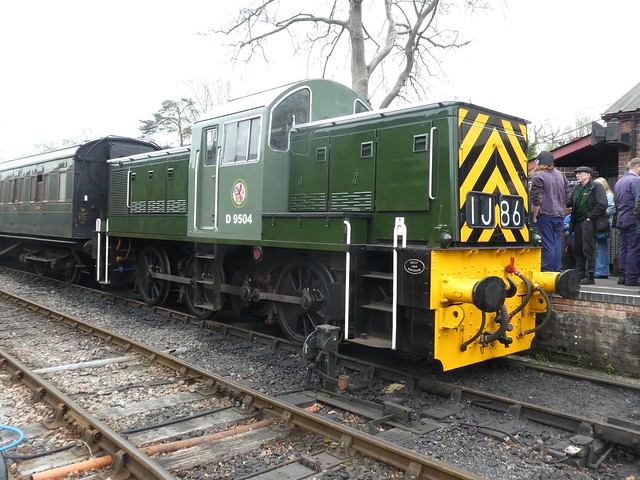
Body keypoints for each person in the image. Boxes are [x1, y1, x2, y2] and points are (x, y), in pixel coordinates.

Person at [530, 151, 570, 272]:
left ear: (540, 161)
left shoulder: (538, 176)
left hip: (545, 214)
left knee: (547, 243)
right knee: (557, 243)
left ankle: (547, 269)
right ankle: (557, 269)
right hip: (559, 214)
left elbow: (537, 199)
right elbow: (567, 195)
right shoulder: (561, 175)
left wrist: (534, 216)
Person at [567, 166, 607, 285]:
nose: (577, 175)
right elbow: (569, 202)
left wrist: (591, 217)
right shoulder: (577, 188)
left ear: (588, 175)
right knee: (576, 248)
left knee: (588, 249)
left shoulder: (596, 187)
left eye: (580, 173)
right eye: (576, 173)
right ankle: (580, 273)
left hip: (588, 223)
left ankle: (590, 275)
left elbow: (602, 204)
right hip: (577, 222)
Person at [613, 157, 640, 286]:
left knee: (623, 247)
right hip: (633, 219)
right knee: (634, 248)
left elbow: (617, 202)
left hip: (621, 218)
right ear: (637, 166)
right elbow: (638, 201)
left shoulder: (620, 182)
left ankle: (622, 275)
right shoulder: (636, 181)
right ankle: (632, 277)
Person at [592, 177, 615, 278]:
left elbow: (611, 209)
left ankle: (602, 271)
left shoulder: (608, 195)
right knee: (596, 248)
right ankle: (598, 270)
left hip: (602, 225)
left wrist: (598, 211)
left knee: (601, 248)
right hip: (595, 223)